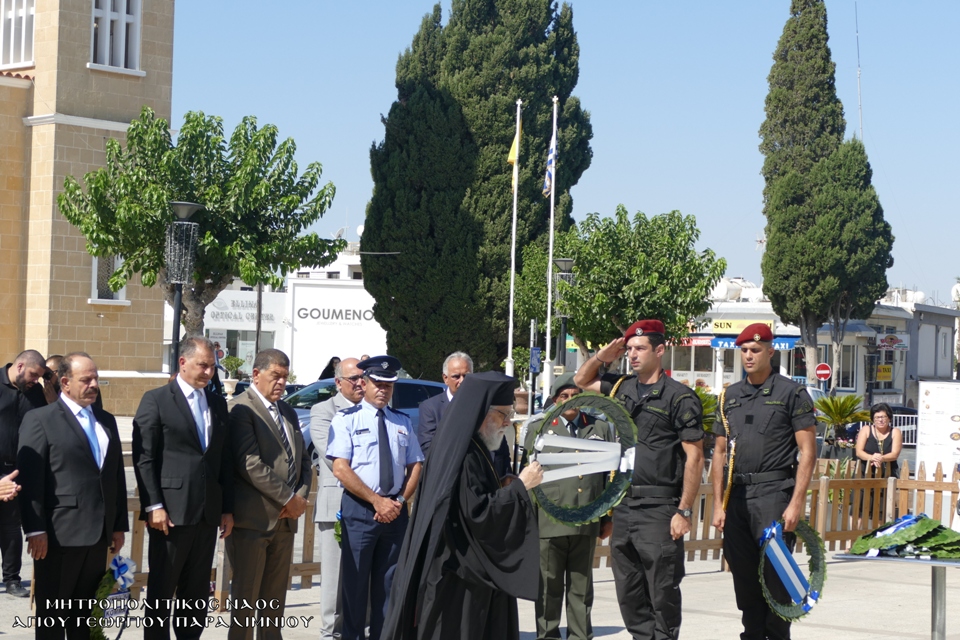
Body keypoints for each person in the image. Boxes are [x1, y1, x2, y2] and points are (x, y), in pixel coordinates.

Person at [383, 371, 543, 640]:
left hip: (467, 571)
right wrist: (520, 487)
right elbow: (475, 514)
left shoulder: (471, 446)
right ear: (481, 412)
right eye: (502, 414)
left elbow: (473, 498)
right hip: (458, 575)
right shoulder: (465, 454)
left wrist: (502, 485)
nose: (507, 423)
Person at [574, 319, 704, 640]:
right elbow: (581, 380)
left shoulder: (679, 397)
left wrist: (684, 510)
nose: (632, 354)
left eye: (640, 348)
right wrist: (604, 356)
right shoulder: (621, 387)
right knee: (629, 593)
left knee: (662, 595)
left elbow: (695, 457)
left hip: (660, 508)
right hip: (625, 506)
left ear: (659, 350)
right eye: (630, 348)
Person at [709, 323, 817, 640]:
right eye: (743, 350)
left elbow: (808, 452)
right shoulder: (730, 395)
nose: (748, 355)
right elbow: (718, 452)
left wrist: (796, 503)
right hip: (737, 498)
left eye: (755, 350)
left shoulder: (791, 393)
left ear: (771, 351)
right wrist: (718, 505)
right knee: (744, 578)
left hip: (773, 495)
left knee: (776, 579)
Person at [18, 352, 128, 640]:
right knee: (53, 621)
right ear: (65, 383)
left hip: (97, 539)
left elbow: (114, 476)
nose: (94, 384)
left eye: (96, 378)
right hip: (57, 538)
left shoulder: (106, 421)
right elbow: (31, 480)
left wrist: (118, 524)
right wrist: (35, 529)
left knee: (84, 621)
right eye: (86, 379)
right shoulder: (40, 419)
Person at [133, 336, 235, 640]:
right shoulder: (156, 400)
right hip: (170, 515)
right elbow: (145, 458)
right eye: (202, 365)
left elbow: (223, 459)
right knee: (163, 590)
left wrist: (226, 508)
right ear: (183, 363)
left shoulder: (216, 403)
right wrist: (154, 506)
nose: (208, 372)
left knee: (196, 594)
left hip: (206, 515)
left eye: (212, 367)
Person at [326, 356, 424, 640]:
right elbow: (340, 467)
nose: (383, 390)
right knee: (355, 586)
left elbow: (415, 464)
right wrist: (375, 501)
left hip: (394, 512)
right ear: (364, 384)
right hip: (360, 512)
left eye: (389, 386)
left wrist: (399, 502)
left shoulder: (402, 421)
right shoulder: (346, 420)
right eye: (378, 384)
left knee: (388, 585)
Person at [227, 349, 311, 640]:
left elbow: (302, 462)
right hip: (254, 522)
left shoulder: (287, 410)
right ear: (256, 374)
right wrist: (289, 498)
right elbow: (249, 463)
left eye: (285, 377)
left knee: (274, 604)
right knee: (245, 601)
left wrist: (298, 499)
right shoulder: (241, 408)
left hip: (285, 523)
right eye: (275, 376)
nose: (281, 383)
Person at [523, 373, 614, 640]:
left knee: (581, 588)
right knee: (548, 587)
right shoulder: (539, 428)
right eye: (564, 396)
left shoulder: (599, 428)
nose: (570, 400)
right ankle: (548, 635)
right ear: (554, 400)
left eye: (576, 395)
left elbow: (611, 475)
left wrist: (607, 516)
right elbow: (530, 475)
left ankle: (580, 635)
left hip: (586, 517)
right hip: (550, 520)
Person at [310, 357, 363, 640]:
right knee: (334, 581)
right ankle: (330, 634)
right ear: (338, 382)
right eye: (352, 378)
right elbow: (333, 456)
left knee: (364, 577)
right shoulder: (323, 410)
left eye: (361, 378)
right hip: (337, 506)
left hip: (369, 507)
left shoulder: (374, 409)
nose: (359, 383)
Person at [0, 349, 46, 598]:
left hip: (18, 468)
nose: (35, 380)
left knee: (10, 525)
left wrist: (48, 377)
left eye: (39, 376)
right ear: (19, 367)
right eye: (32, 374)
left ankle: (12, 579)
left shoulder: (36, 392)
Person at [417, 351, 472, 458]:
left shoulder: (482, 405)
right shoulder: (430, 408)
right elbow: (427, 446)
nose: (462, 381)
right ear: (445, 378)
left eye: (466, 376)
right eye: (456, 377)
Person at [855, 403, 902, 479]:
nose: (880, 420)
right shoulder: (866, 429)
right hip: (865, 473)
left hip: (887, 474)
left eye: (883, 417)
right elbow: (859, 452)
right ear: (873, 419)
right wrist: (872, 457)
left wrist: (881, 458)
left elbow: (895, 454)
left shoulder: (895, 432)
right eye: (877, 417)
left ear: (889, 418)